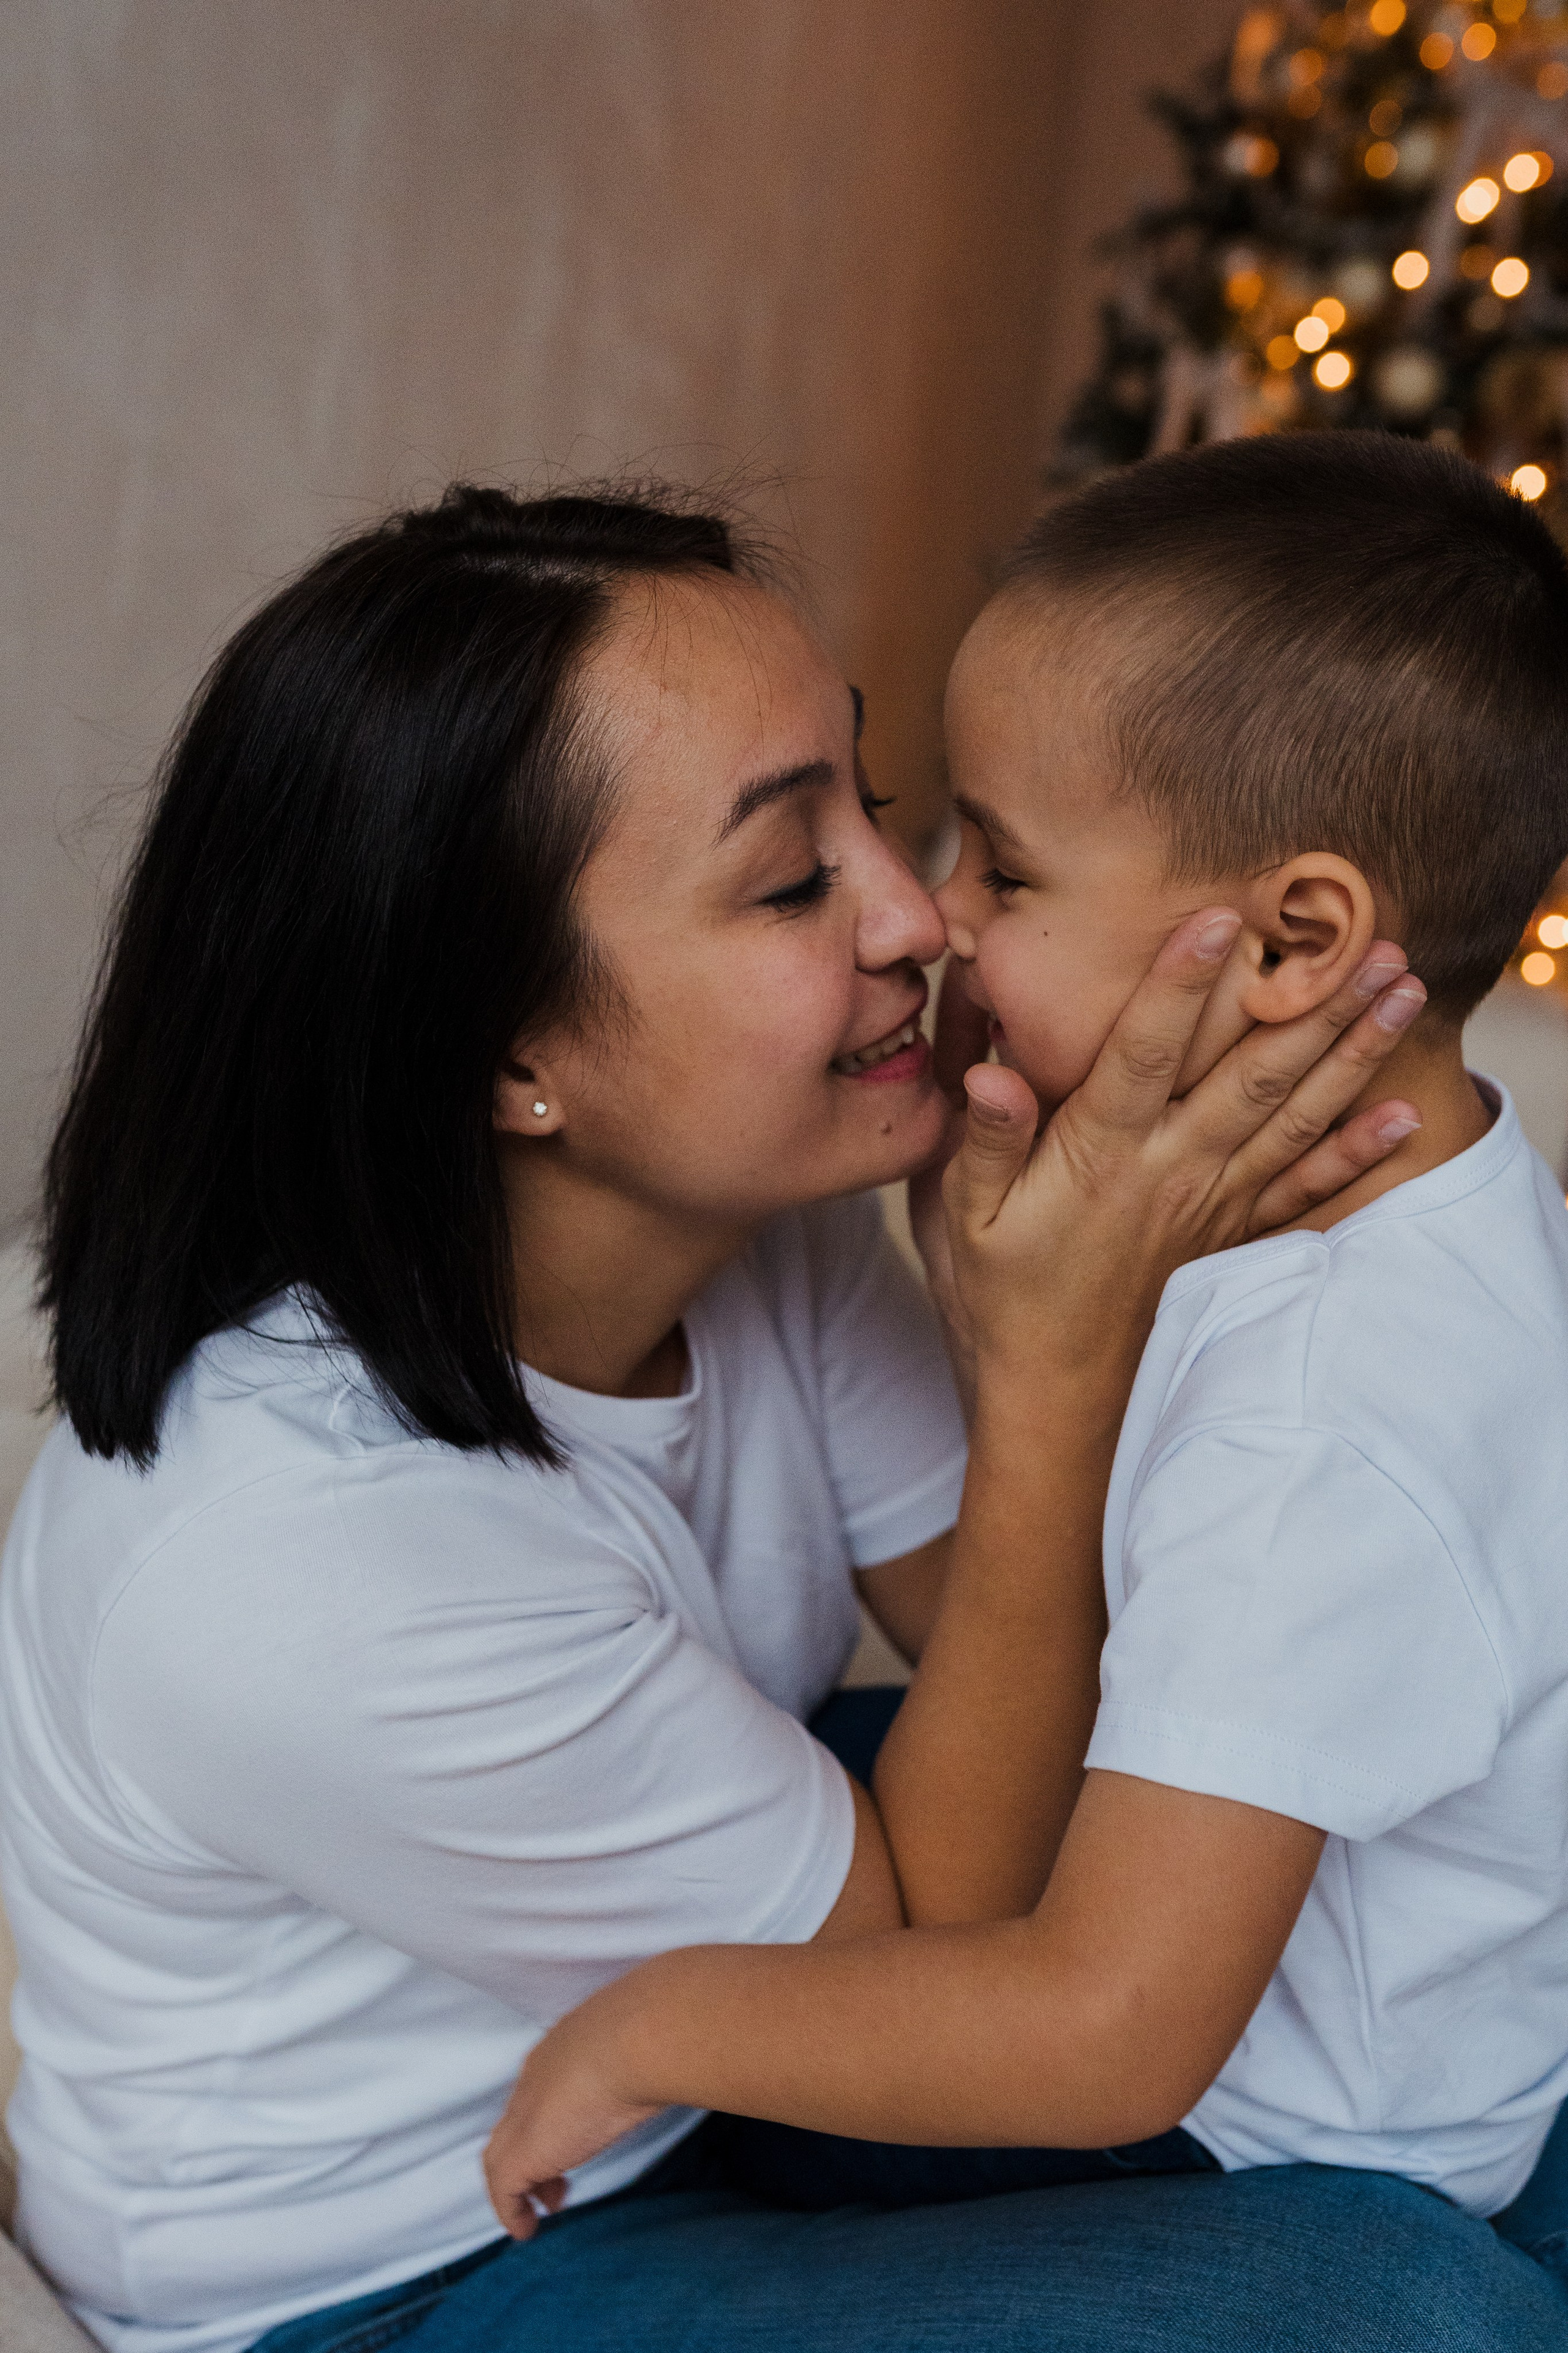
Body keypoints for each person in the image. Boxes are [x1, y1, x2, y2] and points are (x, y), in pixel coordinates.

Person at [0, 477, 1496, 2353]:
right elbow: (938, 1935)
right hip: (416, 2260)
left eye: (874, 805)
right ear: (509, 1055)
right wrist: (1050, 1361)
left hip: (739, 2018)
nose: (916, 915)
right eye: (793, 879)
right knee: (1397, 2305)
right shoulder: (294, 1560)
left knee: (1437, 1940)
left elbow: (1059, 1667)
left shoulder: (748, 1230)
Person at [482, 437, 1568, 2330]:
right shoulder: (1443, 1199)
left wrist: (662, 2024)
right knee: (802, 1786)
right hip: (1235, 2001)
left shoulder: (1328, 1413)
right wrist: (1019, 1327)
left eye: (1006, 856)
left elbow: (1109, 2031)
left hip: (1241, 2127)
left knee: (718, 2003)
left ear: (1297, 945)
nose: (934, 913)